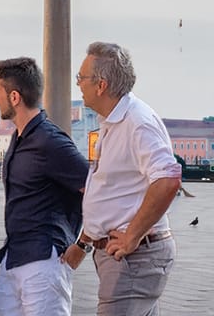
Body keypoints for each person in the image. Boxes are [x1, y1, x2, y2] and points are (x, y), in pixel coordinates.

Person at [66, 42, 181, 315]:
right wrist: (84, 244)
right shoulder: (115, 121)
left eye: (81, 78)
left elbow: (168, 179)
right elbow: (110, 194)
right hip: (128, 258)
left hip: (134, 258)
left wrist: (132, 236)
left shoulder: (137, 123)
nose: (78, 85)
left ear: (101, 84)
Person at [0, 57, 89, 316]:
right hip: (13, 258)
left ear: (14, 97)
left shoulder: (50, 141)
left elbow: (97, 191)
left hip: (44, 262)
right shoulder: (19, 138)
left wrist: (84, 244)